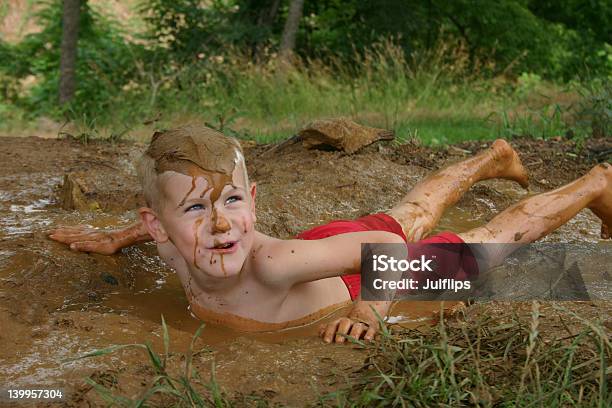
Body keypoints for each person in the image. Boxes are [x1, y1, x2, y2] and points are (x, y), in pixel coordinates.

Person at [48, 125, 611, 343]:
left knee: (483, 246)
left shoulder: (268, 262)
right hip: (328, 251)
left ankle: (595, 184)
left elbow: (387, 254)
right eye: (197, 209)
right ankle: (493, 156)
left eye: (233, 201)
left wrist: (368, 311)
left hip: (370, 275)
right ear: (159, 226)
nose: (219, 225)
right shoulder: (177, 240)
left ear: (254, 202)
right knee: (407, 212)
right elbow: (171, 226)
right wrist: (120, 237)